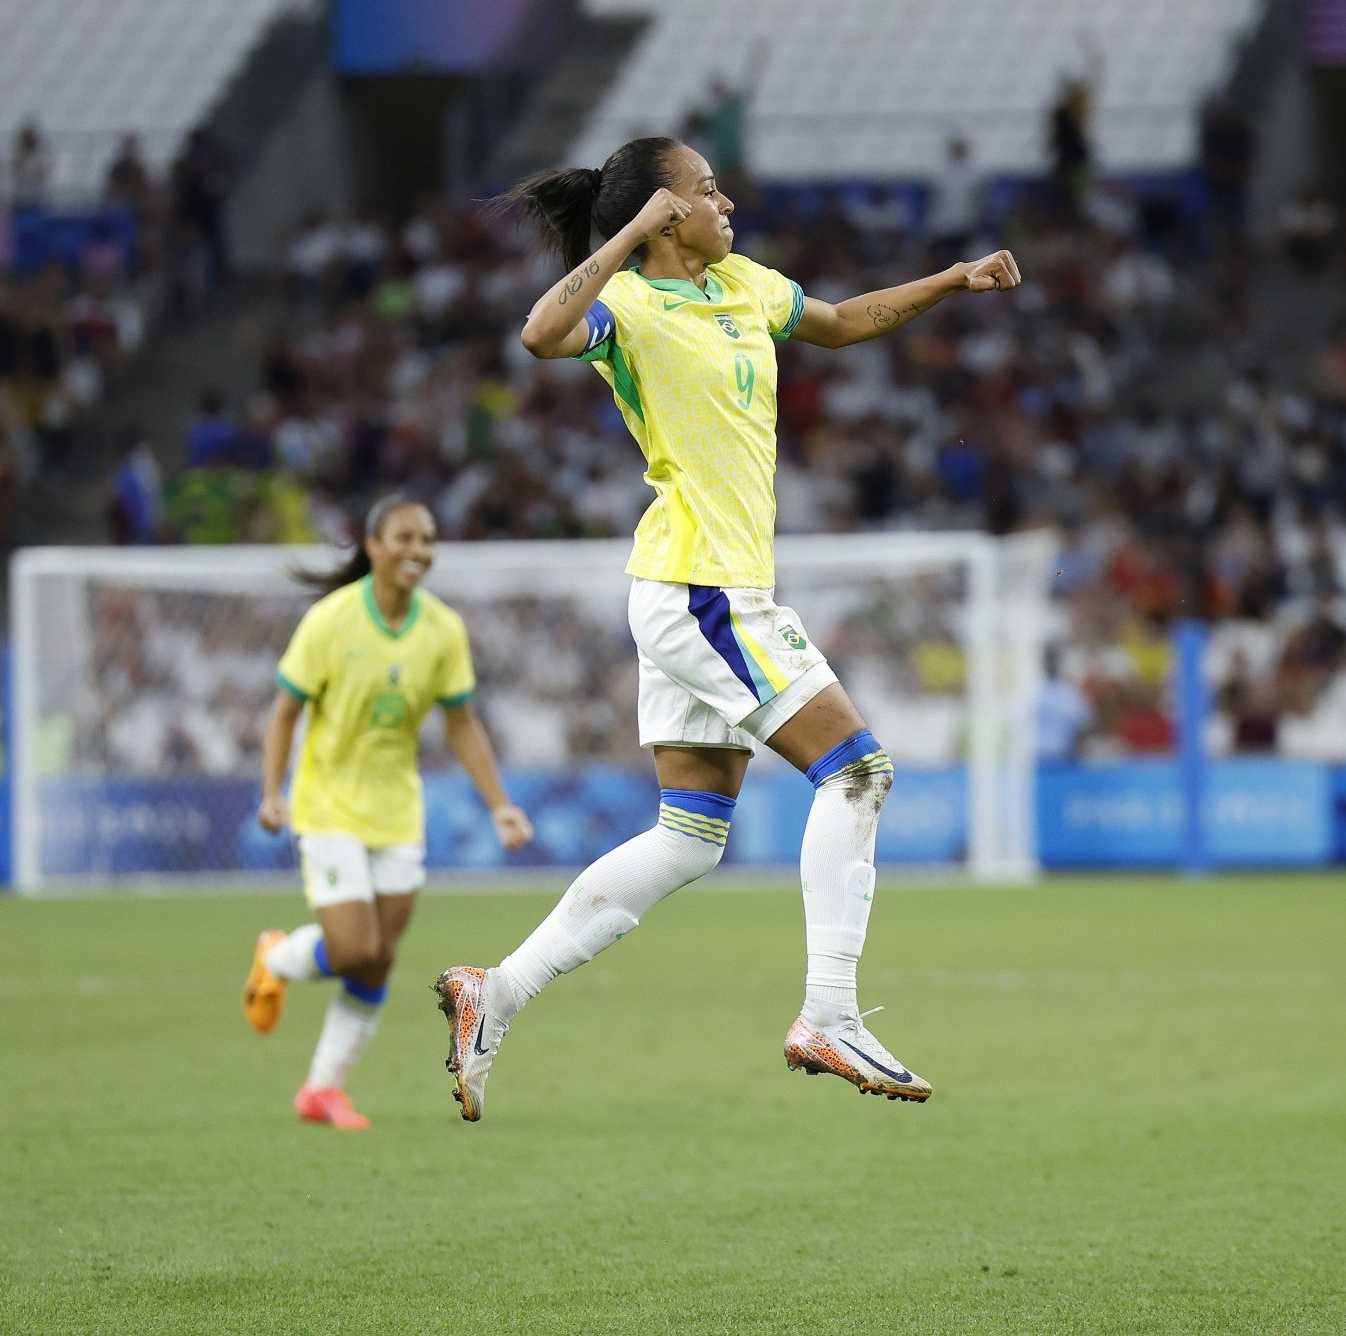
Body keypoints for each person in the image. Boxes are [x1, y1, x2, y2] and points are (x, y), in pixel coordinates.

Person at [432, 137, 1021, 1120]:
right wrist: (624, 238)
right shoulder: (624, 306)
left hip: (701, 588)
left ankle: (497, 991)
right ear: (664, 214)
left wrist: (952, 280)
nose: (727, 200)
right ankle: (828, 1011)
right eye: (705, 191)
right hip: (703, 590)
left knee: (689, 836)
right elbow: (539, 334)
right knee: (859, 771)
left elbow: (835, 322)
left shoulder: (741, 282)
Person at [241, 496, 533, 1129]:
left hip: (397, 813)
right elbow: (285, 710)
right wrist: (273, 791)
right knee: (352, 949)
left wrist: (500, 806)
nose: (418, 550)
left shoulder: (441, 629)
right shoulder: (330, 620)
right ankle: (280, 958)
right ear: (372, 545)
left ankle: (321, 1089)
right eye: (404, 536)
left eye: (427, 539)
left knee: (379, 958)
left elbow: (462, 724)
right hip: (329, 807)